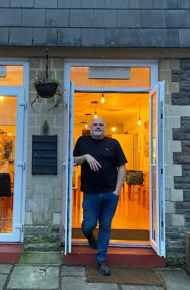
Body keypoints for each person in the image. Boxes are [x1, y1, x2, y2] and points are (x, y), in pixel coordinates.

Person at [73, 117, 127, 276]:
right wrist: (86, 157)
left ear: (105, 127)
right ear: (90, 127)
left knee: (105, 225)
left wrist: (117, 191)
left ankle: (101, 258)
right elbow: (73, 160)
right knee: (89, 225)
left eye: (101, 125)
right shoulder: (82, 141)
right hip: (90, 193)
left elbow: (122, 167)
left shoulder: (113, 143)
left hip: (110, 193)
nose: (98, 127)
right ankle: (89, 236)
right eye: (95, 124)